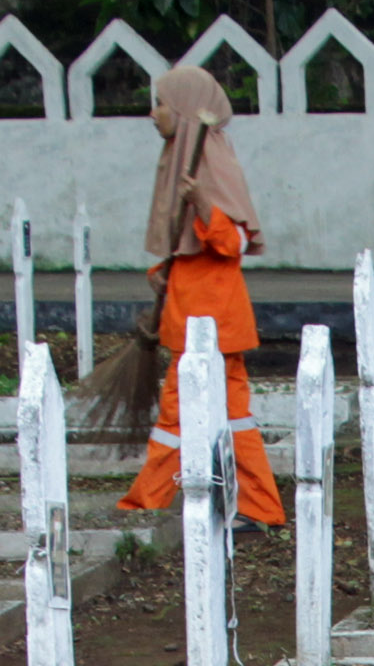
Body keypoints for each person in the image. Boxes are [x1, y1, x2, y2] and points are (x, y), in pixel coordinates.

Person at [116, 65, 284, 528]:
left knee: (212, 414)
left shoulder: (210, 160)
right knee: (195, 411)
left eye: (161, 104)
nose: (153, 114)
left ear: (186, 110)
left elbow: (233, 244)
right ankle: (164, 502)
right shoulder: (180, 157)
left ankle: (155, 503)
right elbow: (186, 246)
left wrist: (204, 204)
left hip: (214, 322)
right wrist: (161, 274)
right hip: (190, 317)